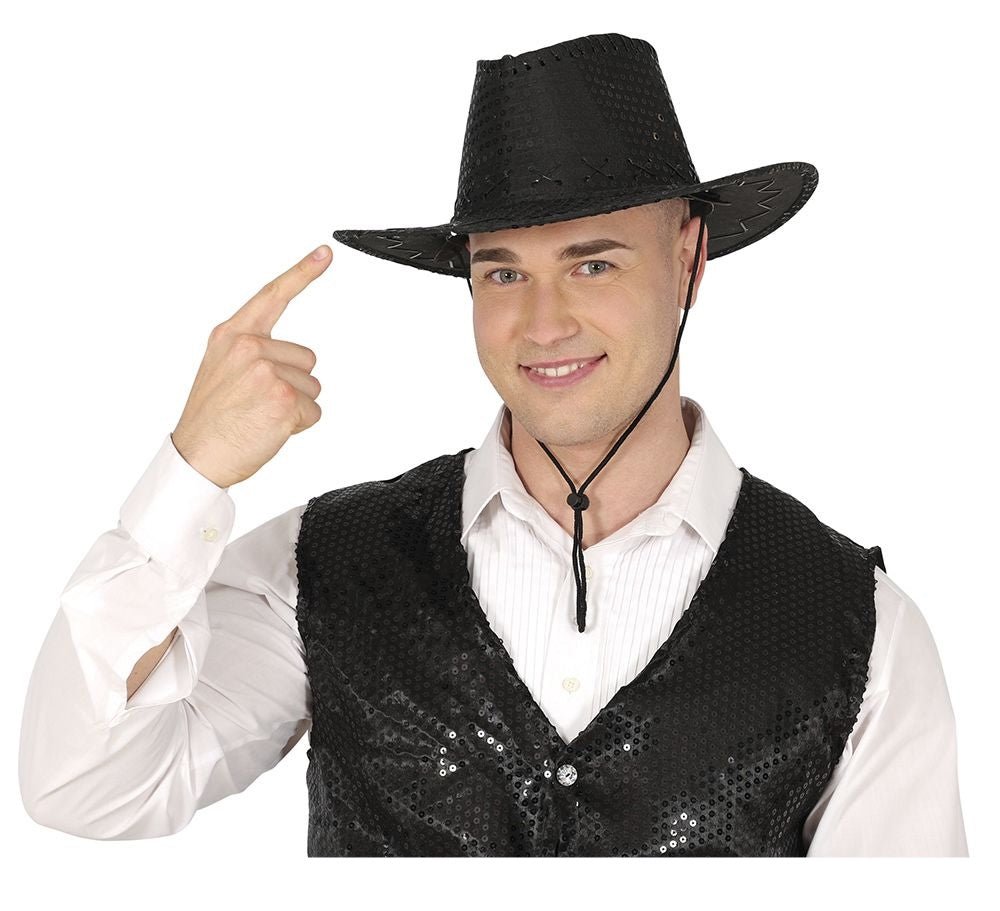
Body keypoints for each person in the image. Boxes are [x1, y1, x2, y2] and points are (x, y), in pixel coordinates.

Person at [19, 32, 968, 857]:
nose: (542, 323)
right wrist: (192, 473)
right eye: (503, 272)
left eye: (592, 263)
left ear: (688, 260)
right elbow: (85, 787)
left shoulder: (862, 631)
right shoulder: (325, 566)